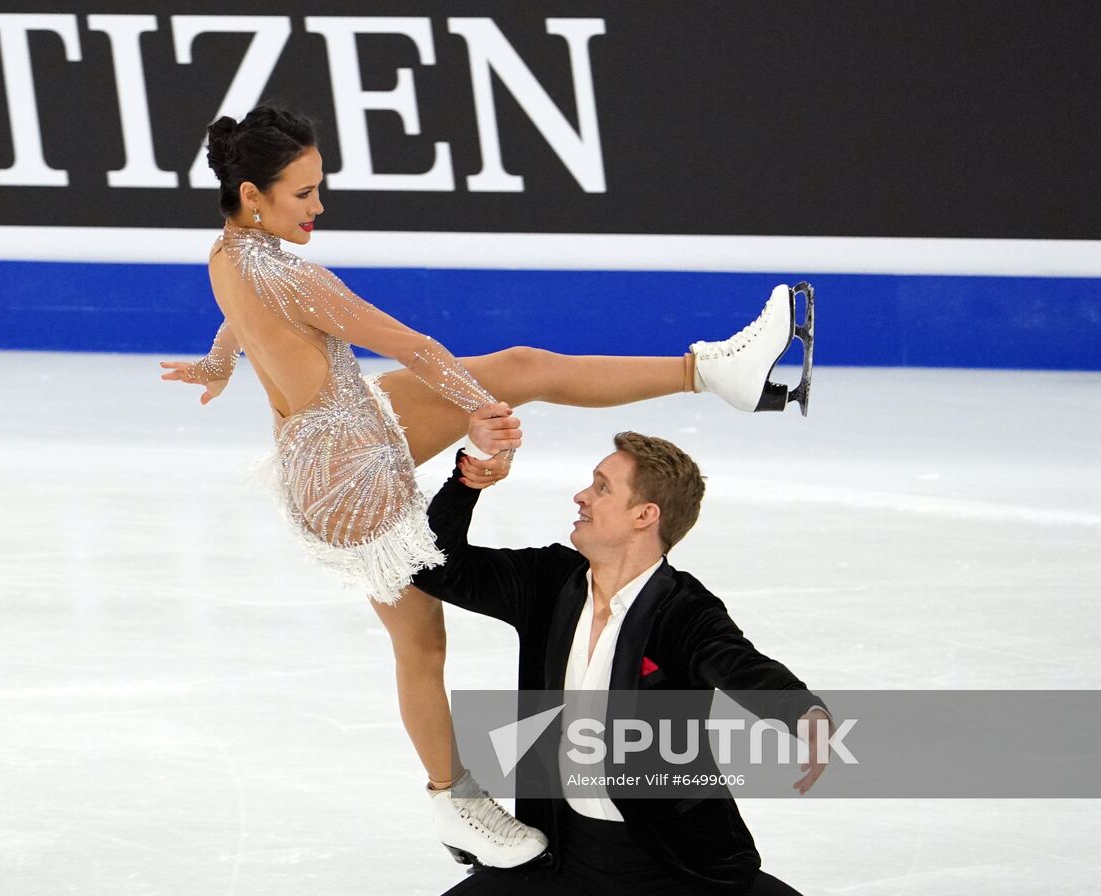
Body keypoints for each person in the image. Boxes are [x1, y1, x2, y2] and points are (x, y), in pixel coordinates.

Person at [159, 105, 814, 869]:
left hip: (328, 443)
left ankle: (712, 372)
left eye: (318, 188)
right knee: (421, 642)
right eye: (303, 193)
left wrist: (218, 361)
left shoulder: (229, 253)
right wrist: (480, 412)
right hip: (352, 474)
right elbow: (414, 344)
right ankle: (453, 798)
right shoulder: (299, 279)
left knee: (522, 366)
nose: (318, 205)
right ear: (252, 194)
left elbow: (238, 313)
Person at [412, 427, 831, 894]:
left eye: (601, 487)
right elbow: (434, 565)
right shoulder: (548, 584)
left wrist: (801, 710)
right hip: (559, 858)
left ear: (644, 515)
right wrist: (469, 479)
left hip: (675, 864)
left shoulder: (683, 609)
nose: (581, 496)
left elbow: (734, 662)